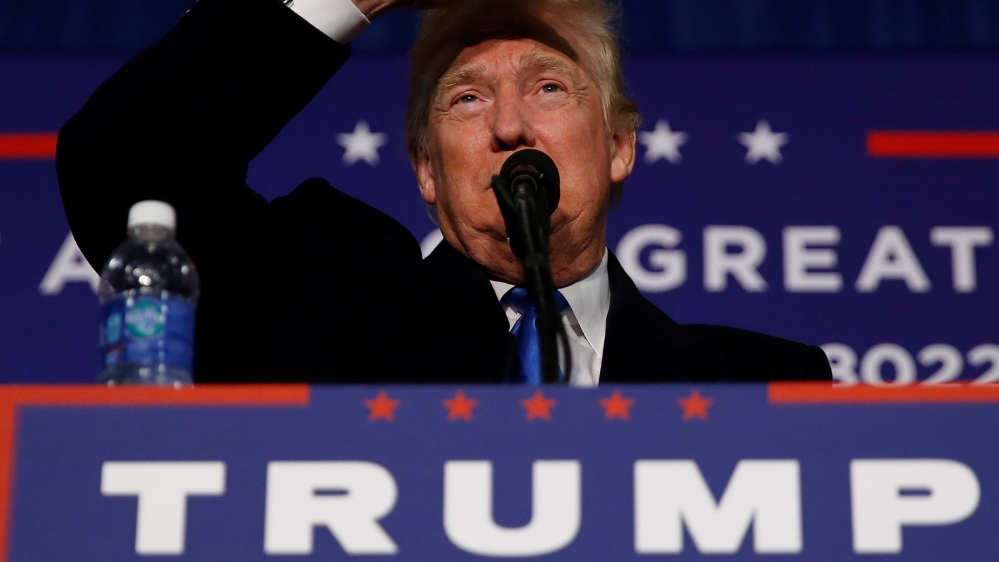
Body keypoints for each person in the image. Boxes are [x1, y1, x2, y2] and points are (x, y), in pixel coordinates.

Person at [57, 0, 832, 384]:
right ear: (426, 168)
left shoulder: (760, 382)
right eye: (466, 99)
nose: (508, 126)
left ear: (620, 145)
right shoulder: (312, 289)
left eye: (550, 87)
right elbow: (123, 157)